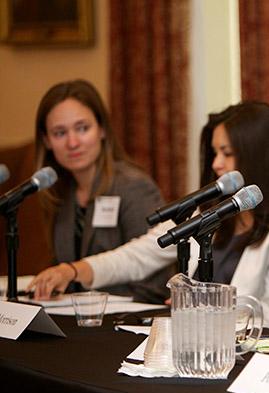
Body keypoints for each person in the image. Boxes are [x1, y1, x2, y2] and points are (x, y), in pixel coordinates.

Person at [29, 101, 269, 330]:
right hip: (189, 345)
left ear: (258, 157)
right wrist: (73, 270)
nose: (216, 164)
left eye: (227, 153)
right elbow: (139, 254)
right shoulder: (210, 211)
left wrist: (204, 314)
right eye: (214, 153)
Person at [32, 79, 169, 303]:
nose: (73, 142)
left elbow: (153, 282)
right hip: (76, 319)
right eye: (59, 133)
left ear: (102, 129)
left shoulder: (133, 186)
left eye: (82, 128)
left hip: (126, 321)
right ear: (47, 141)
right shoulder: (60, 193)